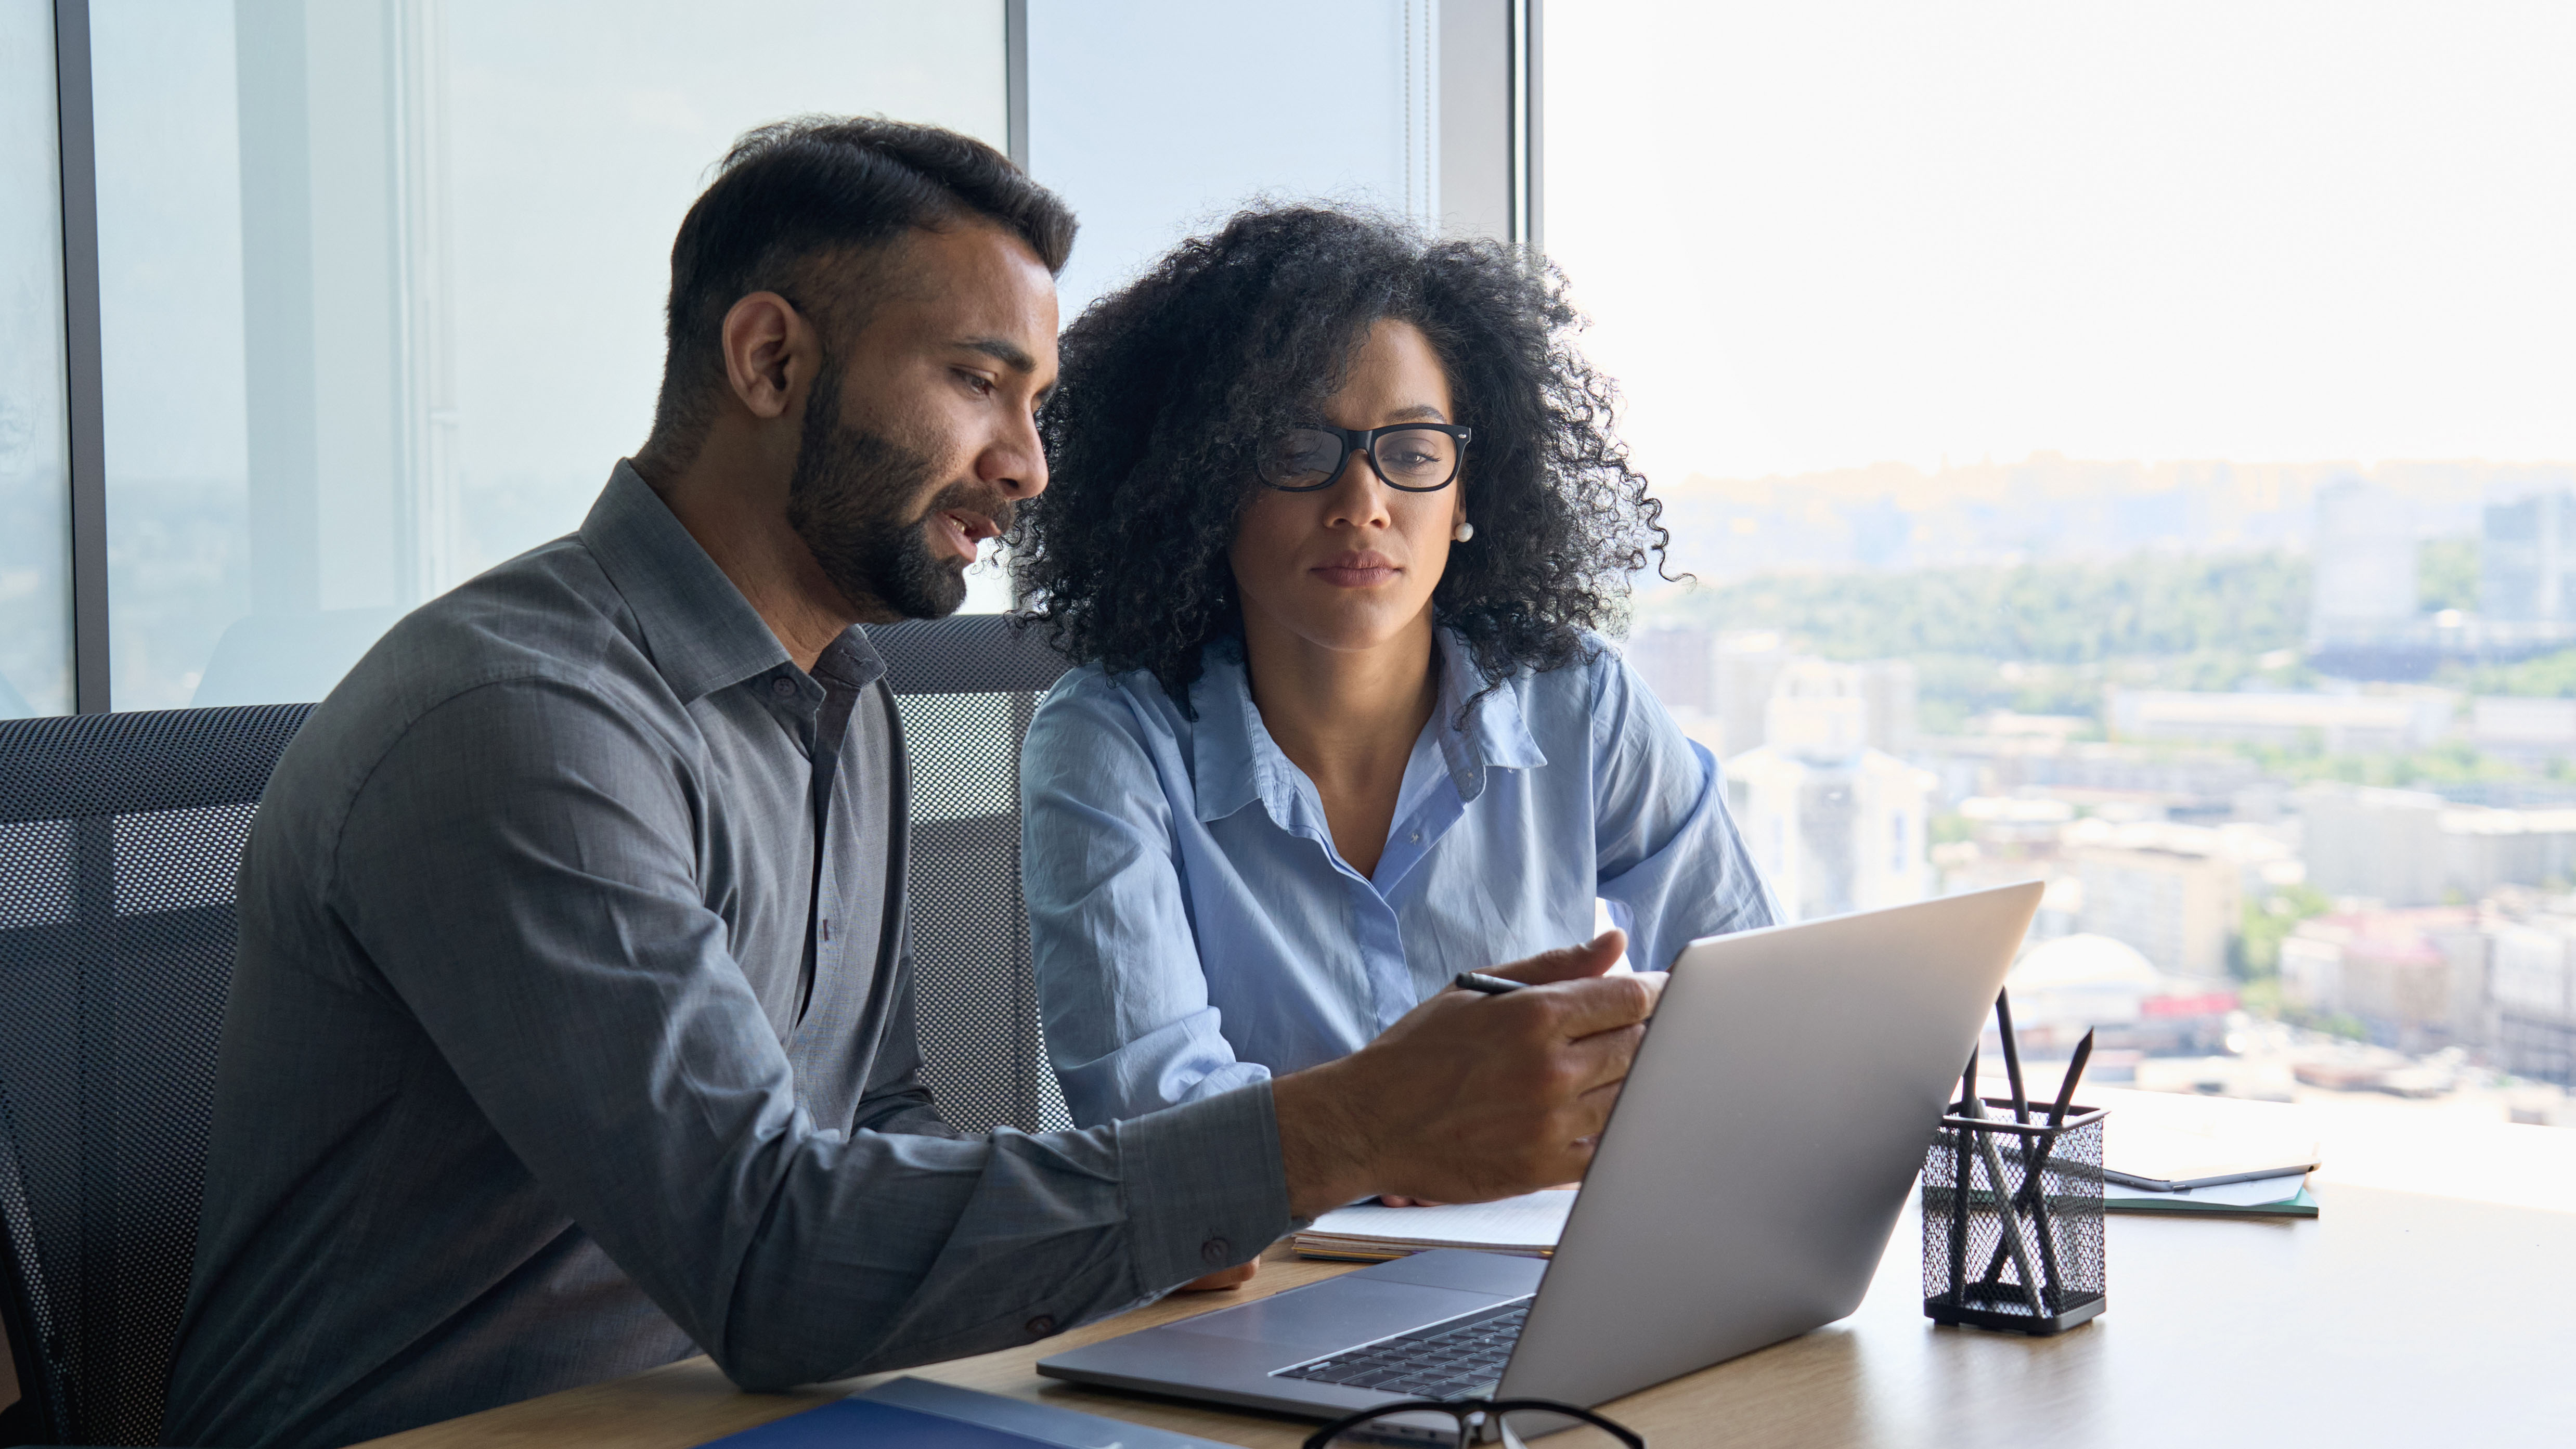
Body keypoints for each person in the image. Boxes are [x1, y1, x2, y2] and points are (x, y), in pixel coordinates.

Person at [157, 122, 1662, 1449]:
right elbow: (769, 1259)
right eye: (976, 383)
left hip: (750, 1411)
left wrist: (1172, 1206)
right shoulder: (521, 723)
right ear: (769, 361)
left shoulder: (843, 697)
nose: (1029, 466)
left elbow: (874, 1122)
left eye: (1037, 400)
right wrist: (1332, 1133)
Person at [1015, 209, 1777, 1272]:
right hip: (1250, 1304)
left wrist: (1366, 1139)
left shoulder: (1577, 700)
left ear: (1469, 493)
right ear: (1203, 485)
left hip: (1552, 1272)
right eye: (1296, 449)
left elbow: (1746, 1008)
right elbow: (1165, 1140)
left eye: (1413, 452)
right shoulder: (1108, 741)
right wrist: (1421, 1133)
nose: (1361, 502)